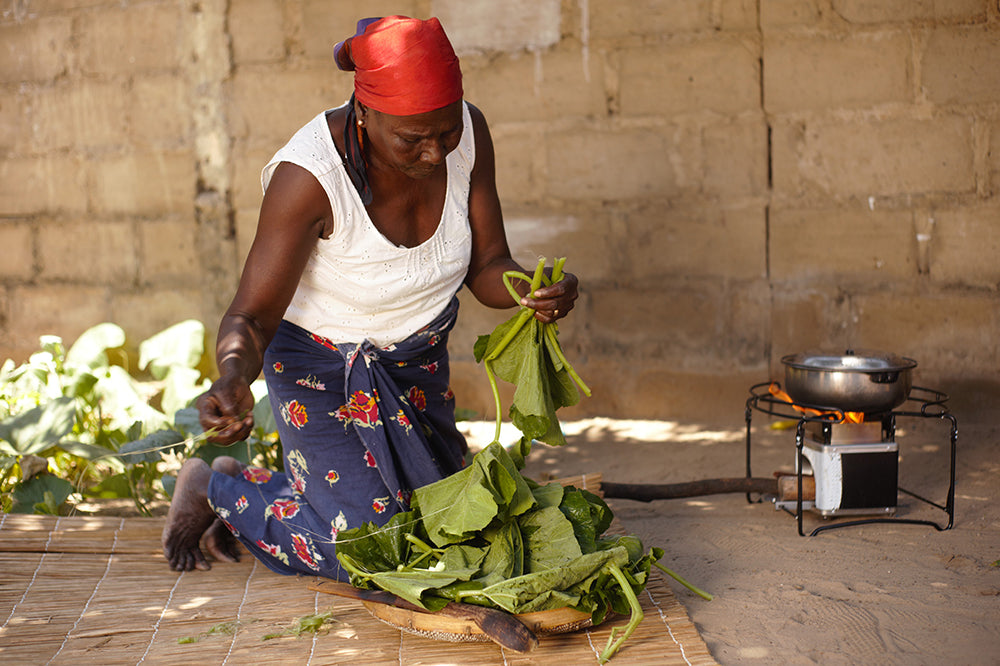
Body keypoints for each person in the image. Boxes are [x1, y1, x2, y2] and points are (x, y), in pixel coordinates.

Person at [161, 16, 579, 578]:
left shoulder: (469, 135)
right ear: (364, 112)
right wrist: (233, 374)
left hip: (415, 368)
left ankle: (264, 486)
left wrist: (530, 290)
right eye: (413, 139)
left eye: (446, 133)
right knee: (373, 550)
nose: (434, 154)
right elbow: (251, 316)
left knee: (454, 530)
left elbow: (487, 265)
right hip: (321, 375)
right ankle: (213, 489)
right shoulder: (309, 177)